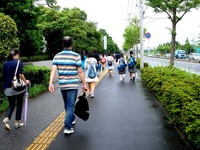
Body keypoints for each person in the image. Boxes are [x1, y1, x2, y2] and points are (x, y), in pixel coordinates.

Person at [49, 36, 86, 135]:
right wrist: (84, 83)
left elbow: (53, 70)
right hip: (73, 84)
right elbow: (80, 71)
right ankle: (67, 127)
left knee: (67, 104)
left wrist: (50, 83)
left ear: (62, 44)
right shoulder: (76, 56)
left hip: (62, 85)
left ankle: (71, 118)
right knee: (70, 105)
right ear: (72, 44)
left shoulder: (57, 56)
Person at [2, 50, 30, 131]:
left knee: (11, 105)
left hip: (7, 88)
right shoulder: (18, 62)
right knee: (19, 105)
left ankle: (6, 119)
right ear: (17, 55)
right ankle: (17, 123)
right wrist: (26, 81)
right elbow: (20, 74)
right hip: (17, 88)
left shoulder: (5, 63)